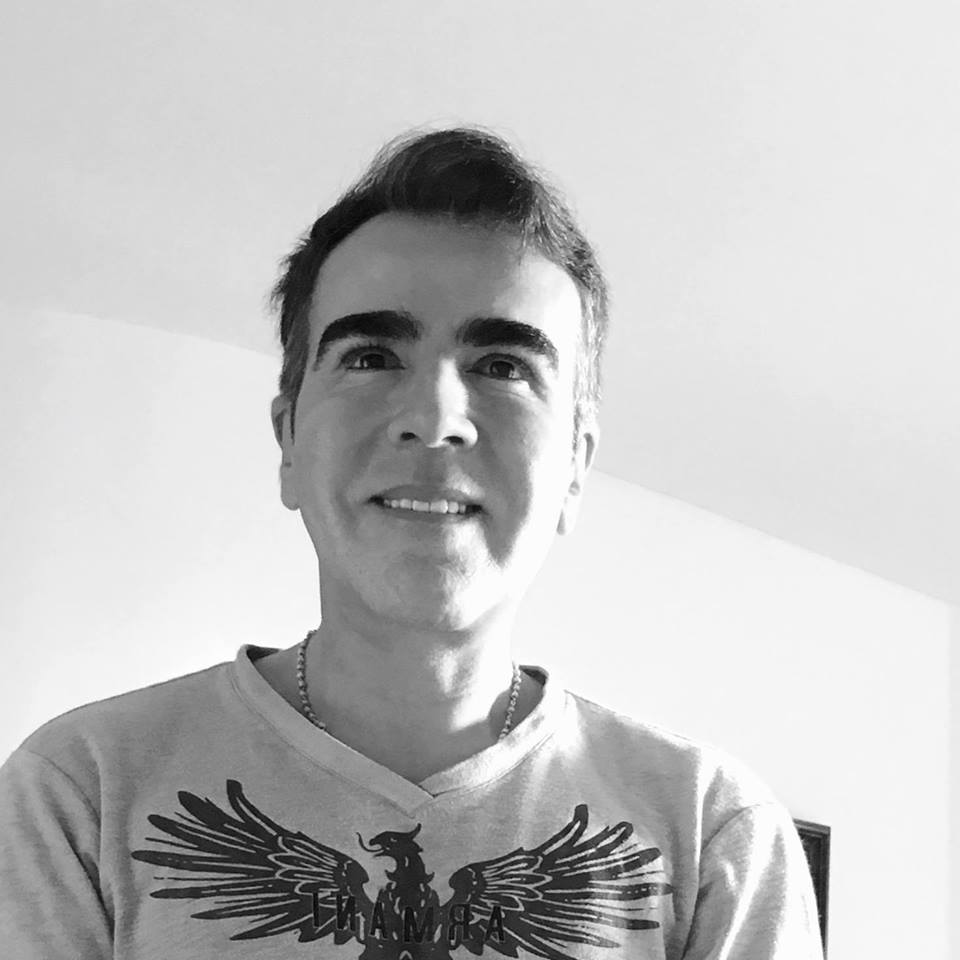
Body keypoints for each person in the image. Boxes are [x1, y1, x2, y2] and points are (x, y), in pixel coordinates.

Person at [0, 126, 824, 959]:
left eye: (503, 366)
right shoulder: (81, 793)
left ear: (575, 465)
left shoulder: (714, 834)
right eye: (370, 356)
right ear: (289, 441)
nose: (433, 418)